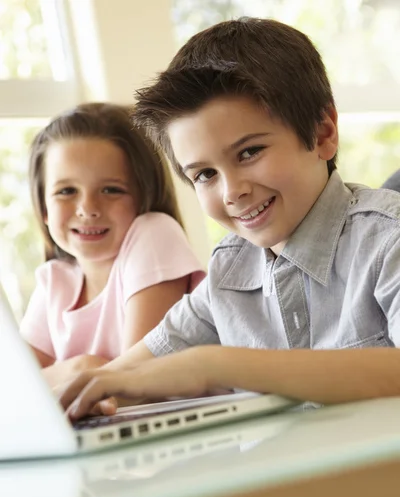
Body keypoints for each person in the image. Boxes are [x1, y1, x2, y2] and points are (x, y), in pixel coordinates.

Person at [59, 18, 400, 419]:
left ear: (323, 133)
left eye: (249, 152)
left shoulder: (386, 241)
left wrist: (216, 365)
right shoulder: (229, 269)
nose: (231, 190)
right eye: (205, 174)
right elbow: (123, 378)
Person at [20, 102, 205, 389]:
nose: (87, 209)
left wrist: (58, 378)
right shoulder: (54, 279)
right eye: (66, 191)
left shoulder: (155, 233)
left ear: (145, 196)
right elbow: (15, 387)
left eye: (111, 190)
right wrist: (82, 366)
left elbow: (135, 381)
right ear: (43, 208)